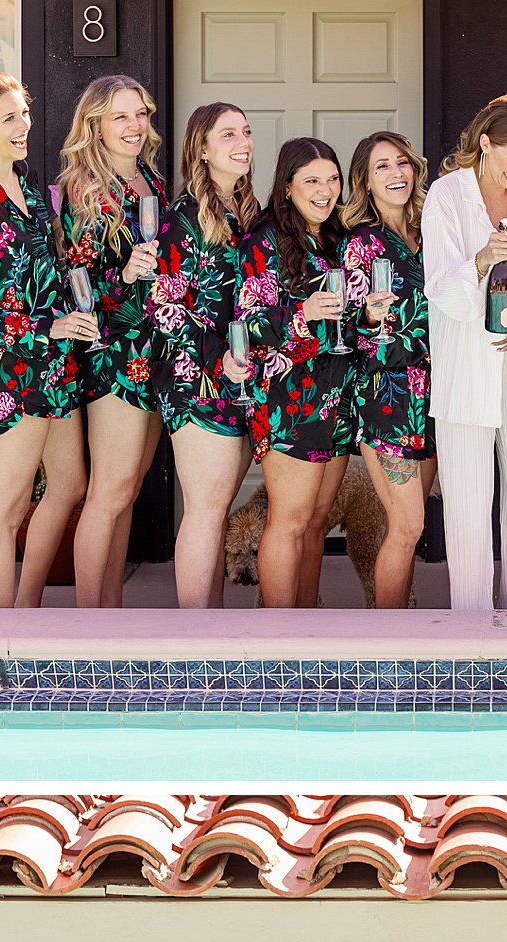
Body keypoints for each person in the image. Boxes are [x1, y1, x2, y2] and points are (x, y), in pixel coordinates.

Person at [0, 72, 91, 608]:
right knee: (7, 506)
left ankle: (26, 610)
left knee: (70, 484)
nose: (24, 125)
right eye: (10, 117)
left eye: (24, 113)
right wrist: (45, 326)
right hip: (15, 367)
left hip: (55, 361)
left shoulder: (30, 186)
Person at [423, 94, 507, 612]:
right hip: (464, 368)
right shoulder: (446, 195)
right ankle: (472, 634)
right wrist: (481, 261)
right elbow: (439, 286)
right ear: (485, 143)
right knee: (466, 506)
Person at [59, 74, 167, 609]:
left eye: (139, 114)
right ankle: (88, 623)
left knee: (128, 490)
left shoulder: (151, 177)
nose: (133, 126)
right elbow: (75, 281)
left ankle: (111, 615)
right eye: (119, 116)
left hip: (157, 350)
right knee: (109, 490)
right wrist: (124, 276)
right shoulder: (87, 188)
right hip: (115, 355)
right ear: (95, 125)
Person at [234, 138, 354, 609]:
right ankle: (277, 640)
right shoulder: (265, 237)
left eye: (332, 179)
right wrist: (303, 311)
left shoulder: (333, 236)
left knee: (316, 519)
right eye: (312, 181)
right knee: (290, 518)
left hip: (334, 392)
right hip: (287, 395)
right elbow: (248, 319)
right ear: (286, 188)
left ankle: (306, 625)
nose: (325, 190)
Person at [151, 101, 259, 609]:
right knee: (205, 509)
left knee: (218, 509)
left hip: (241, 382)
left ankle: (211, 630)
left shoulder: (245, 212)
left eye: (247, 132)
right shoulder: (183, 219)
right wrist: (219, 360)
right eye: (228, 134)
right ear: (202, 148)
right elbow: (167, 309)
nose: (243, 142)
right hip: (197, 382)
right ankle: (195, 643)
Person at [341, 132, 436, 609]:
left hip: (439, 396)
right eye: (382, 167)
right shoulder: (360, 243)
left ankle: (402, 621)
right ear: (365, 181)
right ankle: (387, 640)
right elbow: (349, 330)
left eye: (402, 163)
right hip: (388, 397)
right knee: (407, 524)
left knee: (412, 527)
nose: (396, 173)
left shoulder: (433, 232)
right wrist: (367, 318)